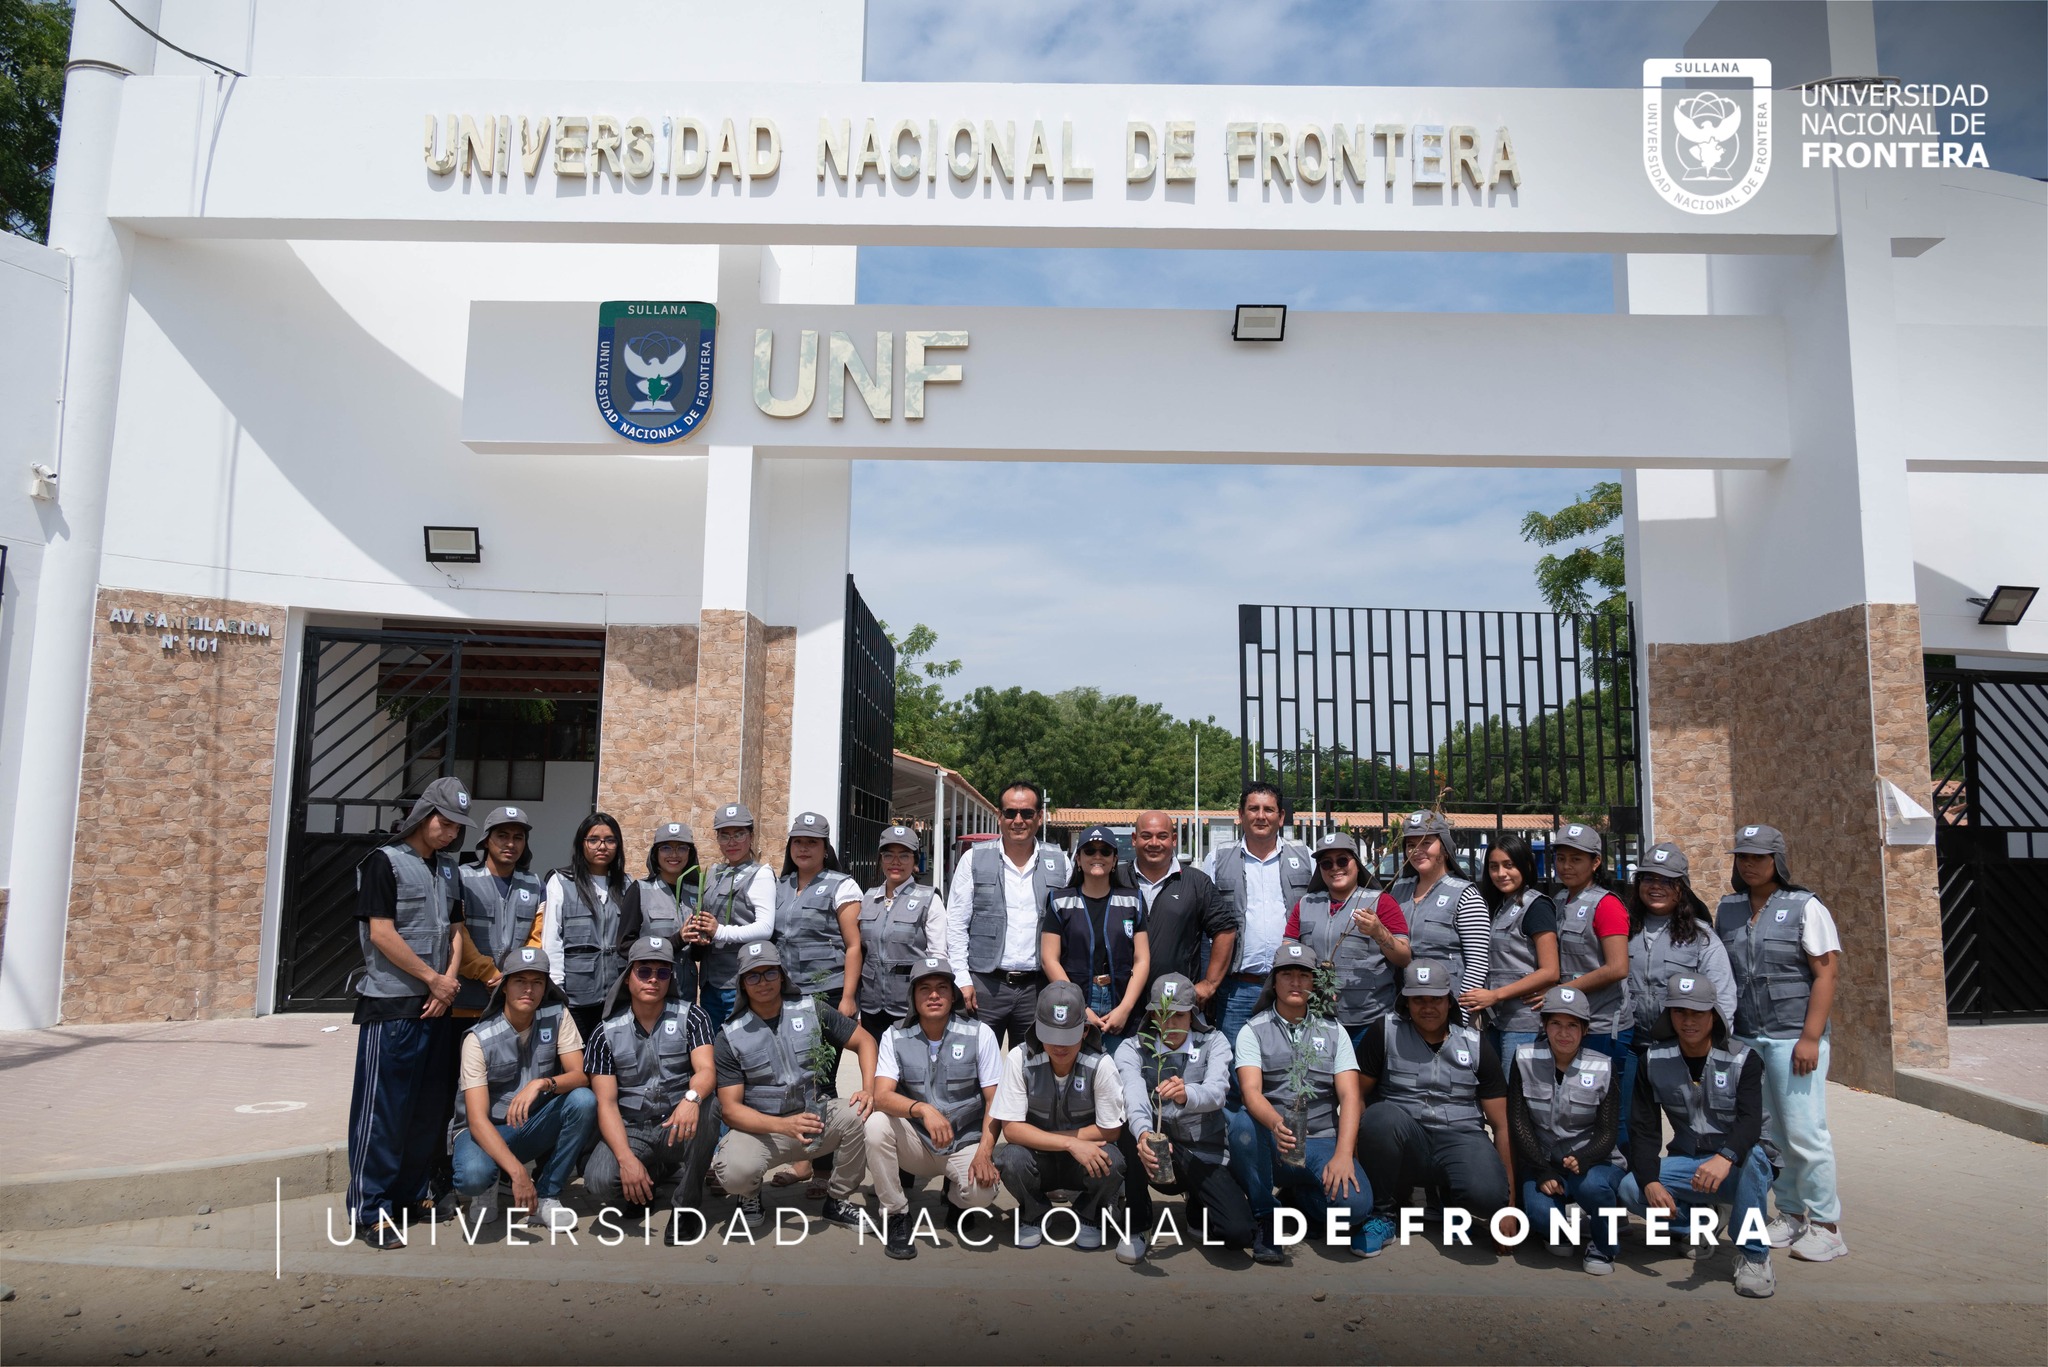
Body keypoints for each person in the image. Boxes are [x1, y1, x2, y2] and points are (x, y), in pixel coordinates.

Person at [346, 776, 473, 1249]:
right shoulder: (384, 862)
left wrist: (448, 983)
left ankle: (410, 1193)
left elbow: (456, 930)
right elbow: (381, 933)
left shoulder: (447, 870)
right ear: (424, 815)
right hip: (393, 1006)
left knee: (427, 1110)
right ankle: (370, 1208)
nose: (452, 833)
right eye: (446, 822)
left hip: (438, 1005)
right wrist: (430, 979)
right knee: (383, 1111)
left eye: (459, 826)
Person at [1715, 823, 1847, 1263]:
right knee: (1774, 1137)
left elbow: (1825, 973)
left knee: (1806, 1132)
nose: (1749, 864)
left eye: (1758, 857)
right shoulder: (1728, 908)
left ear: (1777, 860)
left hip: (1793, 1039)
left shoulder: (1806, 906)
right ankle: (1790, 1214)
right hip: (1748, 1039)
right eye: (1742, 857)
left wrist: (1810, 1038)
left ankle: (1827, 1225)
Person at [1620, 973, 1778, 1298]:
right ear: (1669, 1015)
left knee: (1756, 1159)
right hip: (1690, 1164)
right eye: (1680, 1012)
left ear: (1713, 1015)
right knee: (1630, 1187)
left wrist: (1726, 1157)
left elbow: (1750, 1122)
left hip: (1740, 1164)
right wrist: (1650, 1181)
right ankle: (1701, 1226)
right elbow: (1643, 1129)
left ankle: (1754, 1257)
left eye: (1697, 1013)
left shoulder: (1743, 1058)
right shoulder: (1652, 1060)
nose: (1688, 1021)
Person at [1224, 941, 1379, 1263]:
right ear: (1274, 981)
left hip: (1321, 1140)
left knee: (1354, 1209)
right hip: (1272, 1140)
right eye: (1287, 975)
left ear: (1314, 983)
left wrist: (1344, 1155)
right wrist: (1276, 1124)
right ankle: (1268, 1217)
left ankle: (1300, 1200)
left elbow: (1350, 1096)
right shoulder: (1253, 1031)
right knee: (1241, 1125)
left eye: (1304, 976)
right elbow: (1251, 1092)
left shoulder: (1335, 1031)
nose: (1296, 982)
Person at [708, 941, 875, 1230]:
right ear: (742, 984)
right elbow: (731, 1111)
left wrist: (868, 1089)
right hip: (764, 1132)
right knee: (733, 1171)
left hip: (815, 1120)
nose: (763, 982)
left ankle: (837, 1200)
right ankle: (749, 1195)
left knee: (859, 1115)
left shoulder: (811, 1009)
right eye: (753, 976)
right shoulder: (729, 1035)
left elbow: (865, 1041)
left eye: (770, 973)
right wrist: (784, 1126)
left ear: (782, 975)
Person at [1355, 959, 1514, 1253]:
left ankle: (1452, 1199)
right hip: (1407, 1138)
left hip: (1460, 1137)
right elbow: (1356, 1098)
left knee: (1489, 1197)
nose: (1427, 1007)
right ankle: (1383, 1214)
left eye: (1435, 999)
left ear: (1449, 1001)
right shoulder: (1384, 1032)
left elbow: (1501, 1125)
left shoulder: (1475, 1043)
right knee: (1379, 1117)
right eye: (1418, 1000)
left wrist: (1508, 1211)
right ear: (1406, 1003)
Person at [582, 936, 719, 1244]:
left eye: (663, 972)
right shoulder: (605, 1032)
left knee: (710, 1106)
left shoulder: (692, 1017)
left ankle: (686, 1207)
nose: (653, 980)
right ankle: (646, 1178)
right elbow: (606, 1104)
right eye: (644, 972)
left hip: (678, 1123)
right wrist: (626, 1159)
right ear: (628, 976)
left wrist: (691, 1098)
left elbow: (707, 1071)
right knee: (600, 1181)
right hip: (632, 1128)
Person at [865, 955, 1003, 1260]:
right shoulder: (895, 1035)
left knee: (983, 1193)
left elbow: (995, 1100)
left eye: (942, 987)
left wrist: (984, 1154)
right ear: (913, 996)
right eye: (924, 988)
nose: (934, 995)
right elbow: (882, 1095)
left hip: (964, 1142)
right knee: (876, 1125)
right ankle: (897, 1215)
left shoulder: (980, 1034)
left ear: (953, 995)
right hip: (917, 1144)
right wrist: (923, 1110)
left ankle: (957, 1200)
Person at [450, 945, 597, 1229]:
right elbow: (477, 1121)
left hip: (530, 1125)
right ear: (504, 986)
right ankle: (490, 1184)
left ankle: (547, 1197)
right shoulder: (478, 1039)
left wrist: (542, 1083)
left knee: (583, 1100)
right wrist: (519, 1173)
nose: (528, 989)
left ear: (545, 987)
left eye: (537, 982)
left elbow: (580, 1076)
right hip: (484, 1132)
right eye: (520, 981)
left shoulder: (557, 1016)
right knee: (473, 1177)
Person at [1113, 973, 1257, 1264]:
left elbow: (1217, 1092)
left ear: (1192, 1015)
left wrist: (1186, 1094)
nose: (1169, 1025)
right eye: (1162, 1016)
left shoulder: (1214, 1042)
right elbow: (1134, 1096)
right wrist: (1143, 1136)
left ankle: (1197, 1204)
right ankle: (1137, 1224)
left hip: (1201, 1153)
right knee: (1128, 1125)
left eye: (1178, 1016)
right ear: (1152, 1015)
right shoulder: (1132, 1048)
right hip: (1154, 1154)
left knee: (1238, 1233)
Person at [989, 980, 1127, 1251]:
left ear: (1085, 1031)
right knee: (1008, 1158)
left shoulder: (1101, 1064)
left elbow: (1111, 1131)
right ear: (1038, 1029)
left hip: (1084, 1162)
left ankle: (1089, 1215)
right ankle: (1035, 1214)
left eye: (1068, 1037)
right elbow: (1012, 1130)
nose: (1059, 1046)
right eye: (1050, 1035)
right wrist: (1070, 1142)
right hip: (1038, 1159)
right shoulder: (1019, 1059)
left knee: (1114, 1160)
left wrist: (1069, 1143)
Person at [1508, 985, 1625, 1275]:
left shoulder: (1603, 1067)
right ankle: (1567, 1221)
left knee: (1593, 1187)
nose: (1564, 1033)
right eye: (1556, 1024)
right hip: (1544, 1162)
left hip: (1594, 1163)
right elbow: (1518, 1120)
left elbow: (1608, 1130)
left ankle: (1603, 1248)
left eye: (1573, 1025)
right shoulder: (1523, 1058)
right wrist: (1540, 1170)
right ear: (1544, 1025)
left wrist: (1585, 1157)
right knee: (1541, 1217)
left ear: (1585, 1030)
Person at [1201, 784, 1315, 1082]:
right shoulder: (1217, 859)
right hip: (1238, 988)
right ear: (1240, 815)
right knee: (1236, 1073)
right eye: (1253, 809)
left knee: (1292, 1069)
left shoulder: (1306, 858)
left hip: (1293, 986)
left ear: (1281, 817)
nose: (1260, 816)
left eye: (1268, 810)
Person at [1624, 842, 1735, 1144]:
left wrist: (1714, 1046)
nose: (1655, 886)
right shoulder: (1623, 930)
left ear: (1681, 888)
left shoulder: (1700, 936)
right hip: (1633, 1048)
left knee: (1696, 1131)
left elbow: (1722, 993)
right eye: (1649, 878)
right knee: (1635, 1131)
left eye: (1666, 880)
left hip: (1681, 1050)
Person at [946, 782, 1070, 1047]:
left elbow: (1070, 926)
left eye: (1026, 813)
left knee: (1032, 1066)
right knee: (974, 1067)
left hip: (1037, 988)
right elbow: (956, 923)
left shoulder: (1061, 862)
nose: (1018, 820)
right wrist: (962, 979)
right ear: (999, 816)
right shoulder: (973, 860)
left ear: (1039, 817)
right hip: (984, 986)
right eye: (1010, 812)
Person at [1283, 831, 1411, 1047]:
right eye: (1326, 863)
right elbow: (1287, 953)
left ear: (1356, 863)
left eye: (1342, 860)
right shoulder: (1305, 905)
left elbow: (1404, 957)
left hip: (1369, 1019)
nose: (1335, 868)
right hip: (1318, 1018)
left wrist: (1379, 932)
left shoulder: (1381, 903)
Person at [1040, 825, 1151, 1050]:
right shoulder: (1059, 901)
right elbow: (1049, 959)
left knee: (1119, 1076)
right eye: (1089, 851)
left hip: (1120, 1001)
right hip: (1075, 997)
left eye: (1105, 851)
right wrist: (1079, 1006)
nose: (1097, 856)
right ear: (1078, 859)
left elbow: (1142, 959)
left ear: (1114, 860)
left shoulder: (1133, 900)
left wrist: (1125, 1008)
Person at [1458, 835, 1559, 1066]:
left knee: (1516, 1093)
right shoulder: (1498, 906)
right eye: (1494, 867)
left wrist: (1495, 995)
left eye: (1509, 865)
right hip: (1496, 1020)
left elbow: (1550, 971)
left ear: (1526, 866)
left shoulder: (1537, 906)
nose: (1501, 873)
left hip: (1525, 1024)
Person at [1124, 811, 1235, 1021]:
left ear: (1174, 840)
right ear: (1134, 839)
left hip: (1178, 1007)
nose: (1154, 843)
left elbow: (1225, 930)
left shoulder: (1196, 883)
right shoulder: (1117, 879)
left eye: (1162, 836)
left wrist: (1209, 985)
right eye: (1146, 836)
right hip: (1123, 1007)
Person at [533, 811, 635, 1039]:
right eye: (593, 840)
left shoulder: (628, 885)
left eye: (610, 840)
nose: (602, 846)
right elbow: (552, 939)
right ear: (581, 844)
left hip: (617, 994)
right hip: (575, 996)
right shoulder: (560, 881)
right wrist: (557, 989)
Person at [1386, 811, 1492, 1019]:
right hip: (1406, 1008)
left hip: (1448, 1011)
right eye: (1410, 844)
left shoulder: (1465, 894)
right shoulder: (1398, 891)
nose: (1417, 850)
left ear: (1443, 847)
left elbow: (1477, 964)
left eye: (1426, 842)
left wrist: (1459, 1015)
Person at [685, 802, 778, 1030]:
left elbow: (765, 927)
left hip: (742, 980)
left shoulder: (761, 874)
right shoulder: (714, 872)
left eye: (739, 834)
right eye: (724, 836)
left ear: (751, 836)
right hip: (710, 981)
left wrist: (720, 931)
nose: (732, 842)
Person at [1548, 823, 1631, 1058]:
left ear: (1595, 863)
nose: (1566, 866)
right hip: (1567, 1022)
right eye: (1561, 858)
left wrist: (1562, 991)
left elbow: (1617, 968)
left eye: (1576, 859)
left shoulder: (1607, 904)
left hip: (1601, 1025)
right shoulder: (1560, 900)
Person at [855, 825, 947, 1039]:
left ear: (915, 862)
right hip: (872, 1008)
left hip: (911, 1007)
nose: (895, 862)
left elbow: (938, 956)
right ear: (880, 860)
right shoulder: (867, 899)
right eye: (888, 855)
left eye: (904, 856)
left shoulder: (929, 899)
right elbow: (861, 952)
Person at [453, 806, 545, 1017]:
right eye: (502, 836)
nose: (511, 844)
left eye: (518, 837)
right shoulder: (462, 879)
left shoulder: (535, 885)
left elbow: (536, 938)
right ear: (486, 839)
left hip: (514, 1004)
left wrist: (513, 976)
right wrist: (490, 974)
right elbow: (457, 934)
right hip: (466, 1001)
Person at [774, 812, 865, 1017]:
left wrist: (848, 998)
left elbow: (854, 946)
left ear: (825, 849)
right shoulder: (779, 886)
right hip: (785, 993)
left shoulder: (843, 886)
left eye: (812, 842)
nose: (803, 848)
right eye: (797, 841)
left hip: (827, 993)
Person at [627, 819, 701, 1006]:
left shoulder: (698, 891)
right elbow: (625, 946)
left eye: (681, 848)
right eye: (666, 848)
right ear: (655, 854)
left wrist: (702, 942)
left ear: (690, 854)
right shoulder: (640, 890)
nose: (674, 854)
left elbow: (697, 955)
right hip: (651, 992)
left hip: (687, 994)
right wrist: (677, 939)